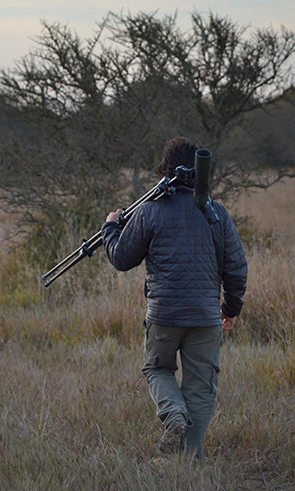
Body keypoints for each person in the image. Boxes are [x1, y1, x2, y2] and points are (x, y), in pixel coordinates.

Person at [101, 137, 247, 459]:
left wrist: (110, 228)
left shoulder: (150, 210)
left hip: (163, 314)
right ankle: (191, 458)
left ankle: (174, 417)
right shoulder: (217, 212)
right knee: (201, 388)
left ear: (165, 169)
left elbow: (122, 259)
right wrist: (230, 308)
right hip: (206, 316)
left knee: (157, 369)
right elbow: (237, 267)